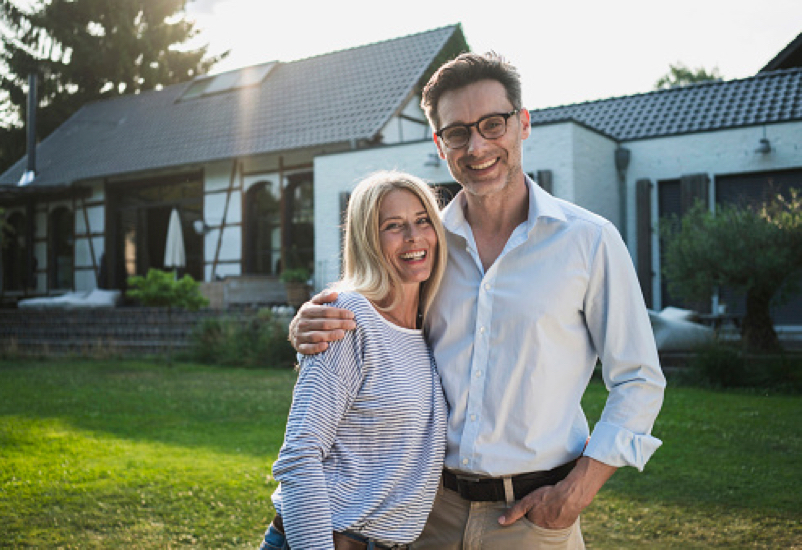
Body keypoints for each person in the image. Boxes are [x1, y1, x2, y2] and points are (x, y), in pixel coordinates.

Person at [289, 52, 666, 549]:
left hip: (535, 519)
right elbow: (371, 320)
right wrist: (307, 326)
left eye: (493, 124)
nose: (478, 145)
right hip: (424, 517)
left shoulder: (589, 241)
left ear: (524, 123)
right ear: (440, 145)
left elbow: (638, 379)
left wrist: (577, 491)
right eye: (458, 132)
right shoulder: (424, 248)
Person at [260, 170, 449, 550]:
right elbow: (300, 456)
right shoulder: (348, 316)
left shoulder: (429, 327)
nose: (414, 237)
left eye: (422, 220)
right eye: (394, 226)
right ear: (367, 239)